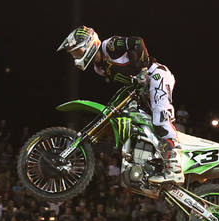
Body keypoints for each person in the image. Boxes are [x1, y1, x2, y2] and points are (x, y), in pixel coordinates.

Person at [57, 26, 182, 184]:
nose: (76, 57)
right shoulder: (99, 68)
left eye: (77, 52)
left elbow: (137, 42)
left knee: (161, 120)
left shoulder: (110, 46)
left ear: (88, 44)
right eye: (74, 54)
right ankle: (158, 162)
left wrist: (143, 69)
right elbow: (127, 83)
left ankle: (175, 169)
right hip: (142, 90)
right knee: (144, 125)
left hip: (156, 75)